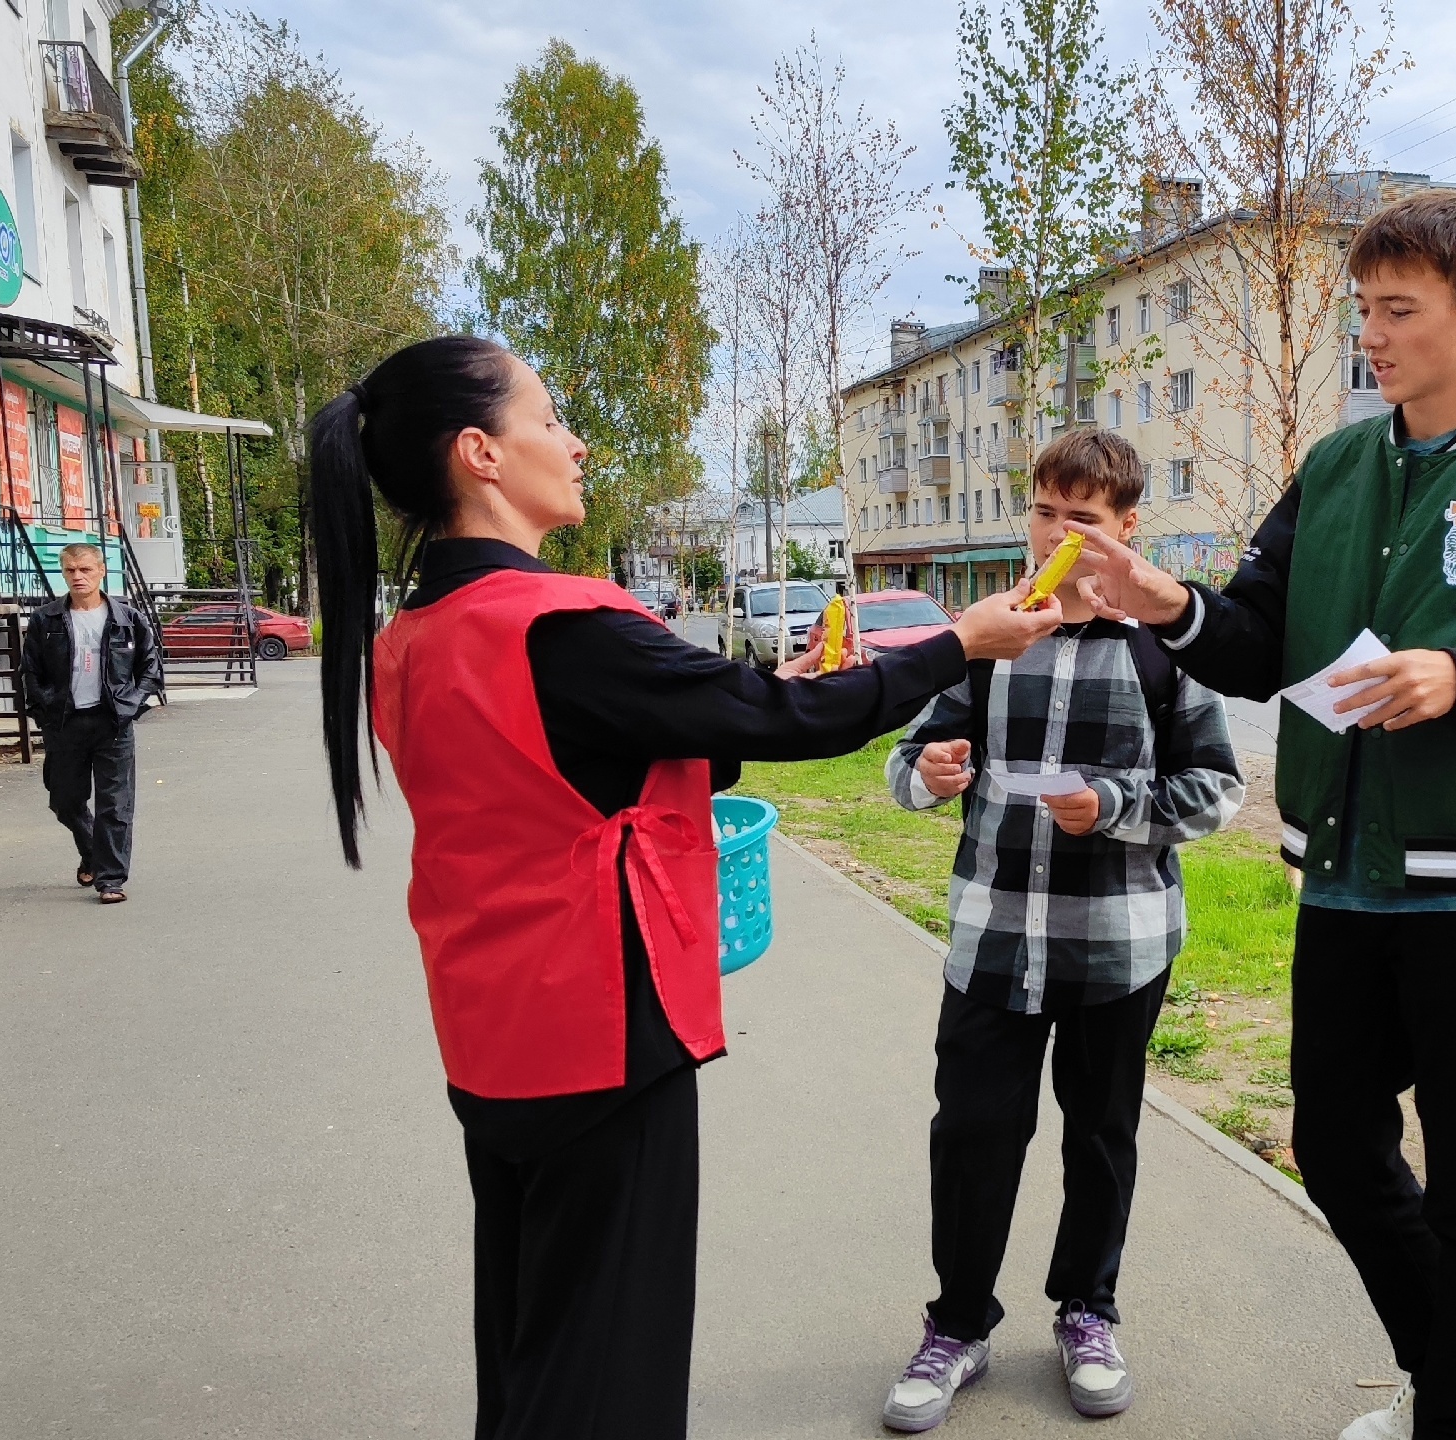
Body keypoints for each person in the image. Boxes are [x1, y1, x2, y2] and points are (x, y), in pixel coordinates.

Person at [305, 336, 1062, 1440]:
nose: (575, 442)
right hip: (600, 1028)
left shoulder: (416, 634)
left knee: (532, 1330)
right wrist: (958, 643)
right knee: (609, 1361)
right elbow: (783, 724)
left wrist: (753, 696)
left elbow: (575, 768)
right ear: (479, 453)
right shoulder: (559, 623)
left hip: (492, 1029)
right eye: (549, 418)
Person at [1065, 191, 1456, 1440]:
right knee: (1336, 1149)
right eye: (1365, 310)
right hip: (1341, 871)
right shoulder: (1336, 466)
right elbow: (1254, 640)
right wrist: (1164, 601)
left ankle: (1453, 1416)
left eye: (1399, 311)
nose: (1374, 336)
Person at [877, 431, 1245, 1432]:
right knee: (973, 1136)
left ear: (1125, 532)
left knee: (1101, 1138)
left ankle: (1087, 1312)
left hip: (1115, 944)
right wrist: (932, 773)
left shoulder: (1164, 652)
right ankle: (956, 1325)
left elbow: (1218, 790)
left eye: (1081, 520)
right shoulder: (991, 636)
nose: (1056, 534)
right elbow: (907, 763)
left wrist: (1117, 803)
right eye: (1043, 512)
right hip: (992, 937)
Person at [20, 542, 165, 903]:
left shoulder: (126, 618)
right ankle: (93, 853)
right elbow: (30, 672)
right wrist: (47, 708)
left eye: (85, 569)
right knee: (65, 802)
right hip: (65, 724)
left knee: (115, 805)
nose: (77, 577)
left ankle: (110, 880)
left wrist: (129, 704)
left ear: (101, 571)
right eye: (70, 570)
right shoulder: (46, 619)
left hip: (112, 723)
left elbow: (151, 668)